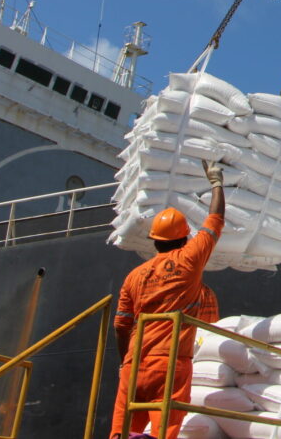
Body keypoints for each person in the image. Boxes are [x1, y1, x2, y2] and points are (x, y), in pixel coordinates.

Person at [110, 160, 225, 439]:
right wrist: (216, 183)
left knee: (120, 432)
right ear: (185, 237)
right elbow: (215, 221)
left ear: (154, 240)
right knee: (164, 431)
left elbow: (121, 325)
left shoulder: (134, 276)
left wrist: (126, 361)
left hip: (135, 362)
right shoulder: (188, 259)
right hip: (169, 362)